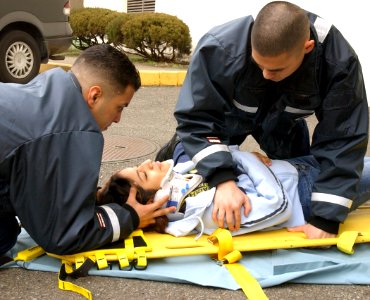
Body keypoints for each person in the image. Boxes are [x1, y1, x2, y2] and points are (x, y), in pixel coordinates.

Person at [173, 1, 368, 239]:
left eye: (276, 69)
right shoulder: (220, 49)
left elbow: (343, 138)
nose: (266, 75)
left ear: (307, 48)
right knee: (181, 166)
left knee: (300, 179)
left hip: (285, 125)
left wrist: (325, 219)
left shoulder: (338, 63)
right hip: (228, 119)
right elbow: (196, 119)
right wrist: (222, 179)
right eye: (259, 65)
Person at [0, 44, 174, 257]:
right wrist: (130, 216)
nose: (118, 119)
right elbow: (63, 235)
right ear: (94, 96)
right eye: (120, 107)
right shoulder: (70, 128)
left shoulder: (48, 91)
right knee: (5, 234)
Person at [102, 147, 370, 238]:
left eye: (139, 166)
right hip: (308, 193)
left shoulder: (183, 176)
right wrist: (242, 158)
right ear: (153, 201)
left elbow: (223, 153)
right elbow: (277, 205)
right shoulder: (203, 213)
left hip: (296, 167)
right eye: (143, 174)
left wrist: (238, 160)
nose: (148, 163)